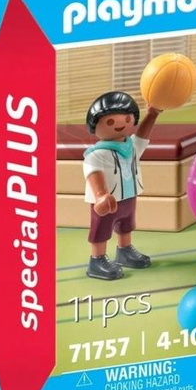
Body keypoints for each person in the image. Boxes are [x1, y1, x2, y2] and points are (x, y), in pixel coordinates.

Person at [83, 91, 161, 280]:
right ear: (95, 125)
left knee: (126, 224)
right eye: (110, 122)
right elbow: (93, 173)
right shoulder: (96, 154)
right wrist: (101, 195)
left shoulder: (130, 147)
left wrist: (152, 115)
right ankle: (97, 259)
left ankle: (124, 250)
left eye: (127, 119)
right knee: (101, 229)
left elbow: (142, 137)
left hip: (128, 195)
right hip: (108, 201)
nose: (120, 124)